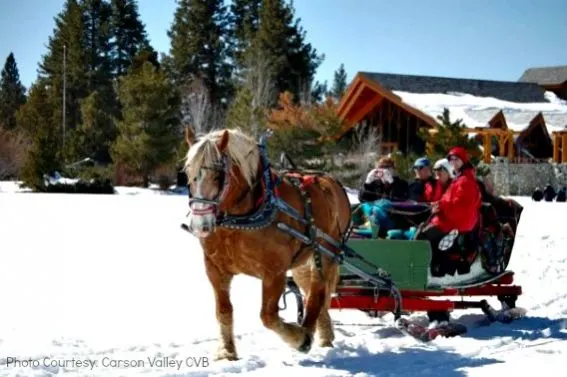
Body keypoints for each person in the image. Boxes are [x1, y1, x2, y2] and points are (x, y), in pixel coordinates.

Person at [416, 147, 482, 276]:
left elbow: (458, 202)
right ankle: (444, 262)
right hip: (454, 217)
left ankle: (436, 270)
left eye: (456, 160)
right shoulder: (461, 177)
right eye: (451, 160)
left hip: (456, 220)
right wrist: (439, 204)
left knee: (424, 236)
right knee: (428, 234)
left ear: (463, 160)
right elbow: (449, 198)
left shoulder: (464, 180)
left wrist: (441, 206)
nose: (454, 162)